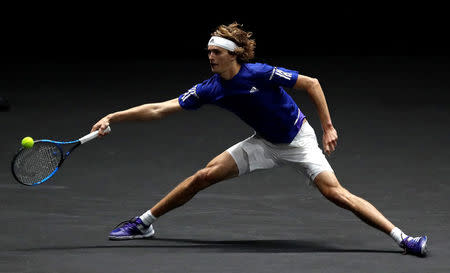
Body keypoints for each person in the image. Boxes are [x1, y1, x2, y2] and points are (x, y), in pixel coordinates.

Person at [91, 22, 428, 257]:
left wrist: (327, 127)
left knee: (336, 194)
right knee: (203, 176)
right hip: (263, 143)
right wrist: (113, 117)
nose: (210, 56)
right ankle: (143, 224)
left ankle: (404, 239)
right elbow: (158, 109)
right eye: (207, 51)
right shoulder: (211, 88)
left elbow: (312, 83)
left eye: (216, 52)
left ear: (233, 54)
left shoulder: (260, 72)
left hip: (299, 141)